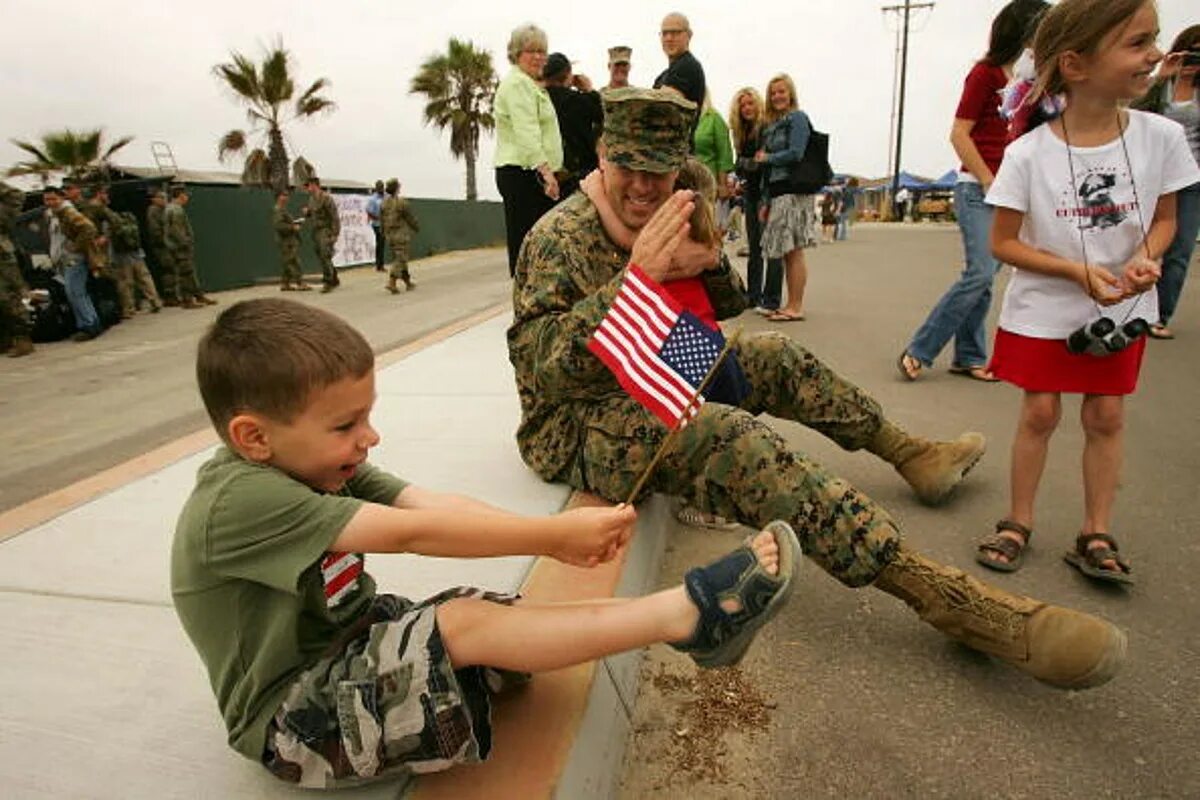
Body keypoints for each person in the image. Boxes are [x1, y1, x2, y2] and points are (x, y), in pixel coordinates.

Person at [510, 86, 1127, 692]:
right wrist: (636, 278)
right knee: (729, 439)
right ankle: (949, 598)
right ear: (601, 155)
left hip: (650, 359)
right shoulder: (558, 237)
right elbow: (545, 372)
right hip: (575, 419)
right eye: (628, 167)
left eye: (658, 169)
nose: (643, 186)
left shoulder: (670, 207)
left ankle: (911, 453)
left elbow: (727, 304)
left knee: (773, 358)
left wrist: (703, 257)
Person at [172, 297, 801, 788]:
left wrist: (553, 537)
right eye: (345, 425)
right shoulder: (237, 501)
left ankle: (651, 624)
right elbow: (412, 534)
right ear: (254, 437)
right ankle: (688, 615)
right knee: (461, 625)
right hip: (293, 722)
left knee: (497, 616)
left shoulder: (318, 463)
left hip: (349, 646)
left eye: (366, 416)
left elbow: (432, 505)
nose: (369, 437)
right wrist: (550, 536)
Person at [977, 0, 1200, 583]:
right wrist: (1077, 273)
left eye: (1153, 39)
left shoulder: (1163, 137)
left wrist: (1144, 262)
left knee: (1105, 415)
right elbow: (1004, 242)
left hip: (1124, 302)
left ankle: (1095, 530)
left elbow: (1166, 222)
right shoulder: (1028, 152)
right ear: (1075, 64)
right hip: (1046, 306)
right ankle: (1017, 520)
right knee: (1040, 411)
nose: (1155, 54)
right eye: (1136, 42)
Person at [898, 0, 1050, 383]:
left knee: (984, 277)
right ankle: (920, 349)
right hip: (978, 188)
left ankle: (969, 355)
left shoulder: (1036, 80)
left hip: (1014, 191)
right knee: (980, 273)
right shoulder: (985, 75)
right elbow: (959, 133)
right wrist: (986, 178)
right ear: (1025, 29)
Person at [1132, 24, 1200, 340]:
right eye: (1193, 50)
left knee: (1179, 247)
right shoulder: (1162, 84)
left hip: (1191, 178)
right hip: (1149, 174)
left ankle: (1158, 315)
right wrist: (1162, 75)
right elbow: (1131, 112)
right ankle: (1126, 303)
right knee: (1135, 240)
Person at [494, 23, 563, 277]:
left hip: (529, 173)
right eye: (530, 51)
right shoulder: (518, 85)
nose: (538, 57)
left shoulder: (529, 84)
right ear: (516, 53)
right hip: (524, 173)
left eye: (542, 51)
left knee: (536, 247)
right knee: (528, 247)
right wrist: (546, 173)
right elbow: (527, 131)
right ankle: (526, 305)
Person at [757, 73, 817, 322]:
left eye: (781, 91)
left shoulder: (798, 119)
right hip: (778, 191)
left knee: (793, 249)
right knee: (785, 251)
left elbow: (796, 152)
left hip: (794, 190)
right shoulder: (772, 125)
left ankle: (795, 305)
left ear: (790, 93)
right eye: (773, 93)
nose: (777, 96)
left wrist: (768, 157)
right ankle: (790, 303)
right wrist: (766, 200)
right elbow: (768, 169)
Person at [729, 87, 783, 314]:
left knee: (769, 246)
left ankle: (771, 299)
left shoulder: (765, 128)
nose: (747, 108)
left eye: (750, 103)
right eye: (742, 105)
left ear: (758, 105)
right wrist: (744, 165)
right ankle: (753, 295)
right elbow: (741, 164)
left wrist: (745, 163)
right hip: (750, 194)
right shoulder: (742, 132)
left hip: (765, 192)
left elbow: (760, 163)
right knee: (754, 247)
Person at [43, 186, 103, 341]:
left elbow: (89, 228)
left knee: (74, 292)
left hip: (73, 258)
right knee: (77, 292)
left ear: (61, 198)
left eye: (53, 199)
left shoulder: (68, 212)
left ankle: (88, 326)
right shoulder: (54, 215)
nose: (50, 202)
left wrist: (75, 246)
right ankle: (92, 323)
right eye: (47, 199)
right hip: (65, 260)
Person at [542, 52, 603, 199]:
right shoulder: (578, 101)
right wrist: (589, 89)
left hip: (547, 177)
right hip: (580, 176)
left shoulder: (539, 101)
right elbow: (602, 112)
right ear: (567, 74)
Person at [165, 184, 217, 308]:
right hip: (180, 248)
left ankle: (198, 296)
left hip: (176, 247)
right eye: (186, 194)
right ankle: (188, 300)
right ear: (181, 195)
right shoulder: (176, 210)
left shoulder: (170, 208)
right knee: (185, 274)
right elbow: (176, 231)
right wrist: (185, 243)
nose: (187, 197)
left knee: (189, 273)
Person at [693, 91, 735, 236]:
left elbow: (724, 154)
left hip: (710, 187)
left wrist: (723, 185)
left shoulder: (714, 119)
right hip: (686, 184)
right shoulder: (686, 118)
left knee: (711, 233)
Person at [1, 181, 34, 357]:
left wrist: (7, 216)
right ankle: (5, 341)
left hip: (3, 256)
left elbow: (17, 195)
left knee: (10, 296)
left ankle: (23, 340)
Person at [110, 208, 163, 313]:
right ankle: (155, 302)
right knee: (145, 278)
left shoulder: (112, 222)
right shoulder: (130, 220)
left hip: (122, 255)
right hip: (137, 252)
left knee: (125, 282)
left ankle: (128, 308)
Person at [653, 12, 705, 109]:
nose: (669, 38)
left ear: (689, 36)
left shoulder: (688, 65)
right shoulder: (662, 76)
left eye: (675, 33)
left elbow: (662, 106)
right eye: (664, 33)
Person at [381, 178, 420, 294]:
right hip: (400, 235)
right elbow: (410, 218)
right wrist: (416, 227)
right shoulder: (402, 203)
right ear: (397, 188)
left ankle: (408, 282)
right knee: (400, 259)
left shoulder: (383, 204)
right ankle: (391, 282)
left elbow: (381, 220)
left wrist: (384, 233)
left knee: (400, 258)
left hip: (390, 235)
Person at [303, 178, 341, 293]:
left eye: (308, 186)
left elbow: (334, 217)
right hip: (316, 231)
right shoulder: (311, 199)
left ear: (315, 185)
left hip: (325, 230)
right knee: (321, 255)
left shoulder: (326, 198)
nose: (307, 189)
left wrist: (335, 234)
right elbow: (312, 213)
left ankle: (328, 282)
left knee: (325, 255)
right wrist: (307, 212)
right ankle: (334, 277)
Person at [146, 188, 179, 307]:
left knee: (171, 269)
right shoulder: (153, 211)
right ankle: (169, 297)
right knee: (168, 269)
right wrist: (165, 241)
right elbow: (155, 230)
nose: (165, 200)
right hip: (161, 246)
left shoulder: (163, 210)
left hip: (166, 244)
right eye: (162, 198)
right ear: (155, 199)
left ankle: (173, 295)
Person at [273, 189, 309, 291]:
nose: (286, 198)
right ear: (278, 197)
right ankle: (300, 283)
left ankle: (285, 284)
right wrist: (293, 227)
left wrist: (294, 223)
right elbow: (279, 226)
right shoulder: (278, 210)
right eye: (283, 195)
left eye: (287, 195)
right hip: (286, 241)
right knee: (293, 262)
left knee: (287, 262)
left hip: (289, 240)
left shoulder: (282, 210)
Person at [366, 180, 386, 272]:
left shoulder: (386, 197)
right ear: (376, 188)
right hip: (377, 224)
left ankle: (381, 264)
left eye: (382, 187)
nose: (381, 189)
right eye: (379, 187)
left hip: (385, 223)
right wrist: (378, 218)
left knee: (382, 244)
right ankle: (379, 265)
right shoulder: (373, 199)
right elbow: (369, 212)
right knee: (380, 243)